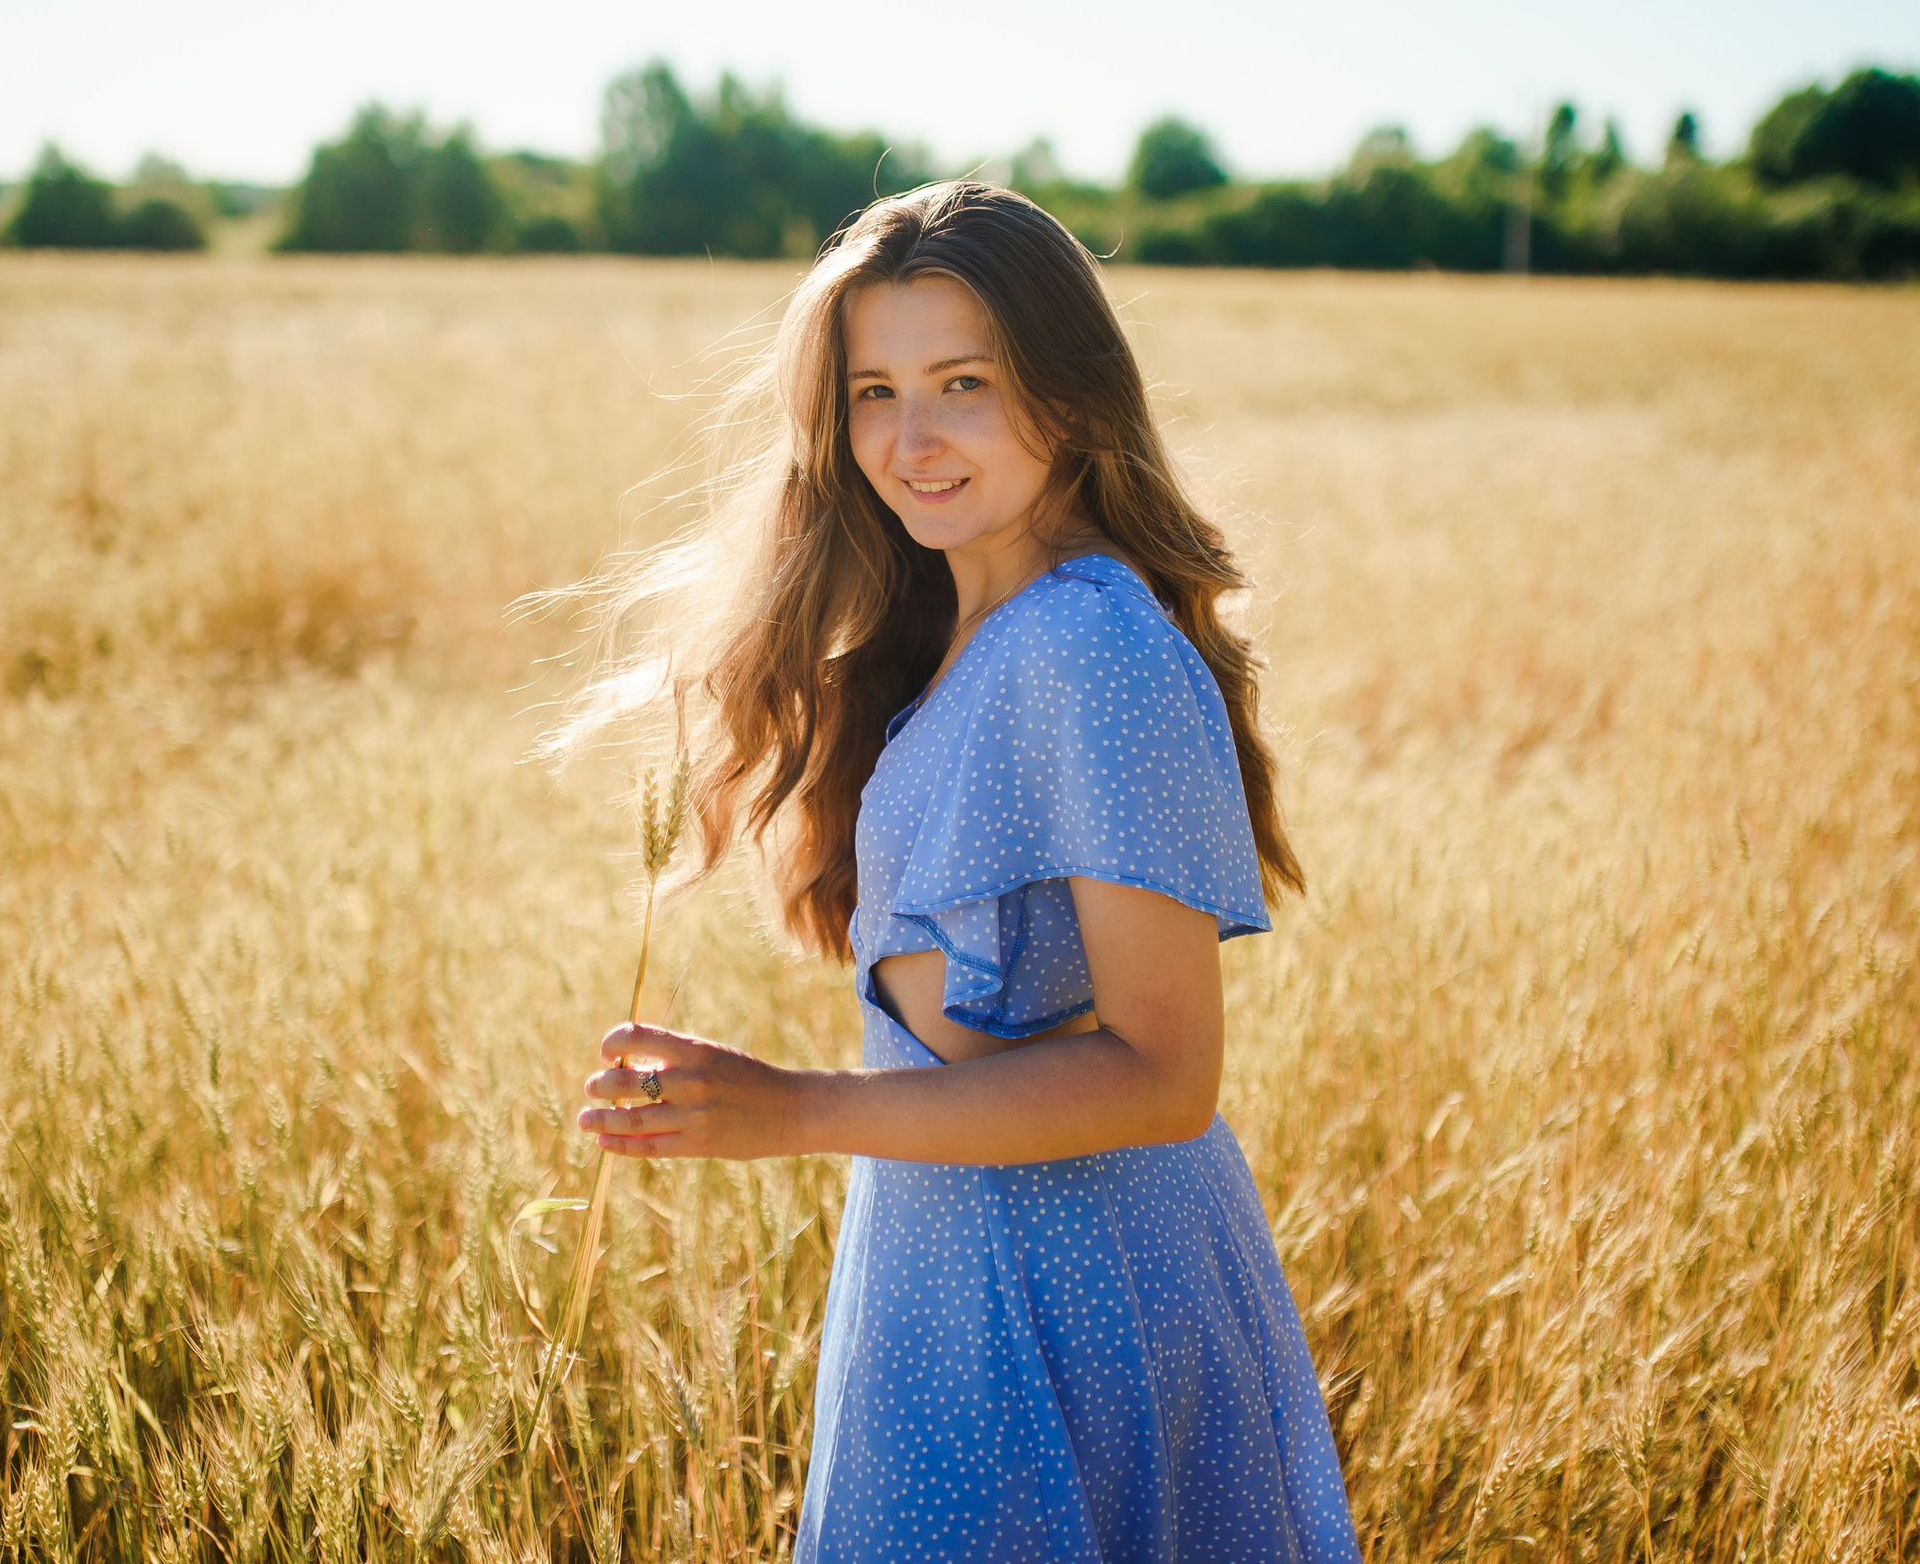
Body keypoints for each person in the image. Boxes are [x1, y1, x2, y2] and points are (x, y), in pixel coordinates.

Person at [568, 181, 1360, 1563]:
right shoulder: (957, 630)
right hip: (955, 1257)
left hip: (1068, 1289)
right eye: (872, 389)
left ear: (1073, 394)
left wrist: (796, 1108)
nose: (908, 438)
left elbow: (1169, 1076)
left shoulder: (1087, 647)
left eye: (963, 383)